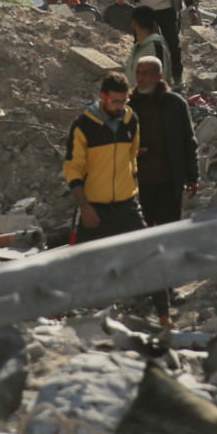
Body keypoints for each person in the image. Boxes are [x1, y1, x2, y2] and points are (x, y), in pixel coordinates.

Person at [64, 73, 165, 322]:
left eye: (124, 101)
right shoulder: (83, 126)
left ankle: (164, 317)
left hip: (126, 207)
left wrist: (131, 187)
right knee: (76, 265)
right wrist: (85, 207)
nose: (120, 107)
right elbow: (73, 168)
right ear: (103, 98)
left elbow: (132, 157)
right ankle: (61, 317)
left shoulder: (131, 121)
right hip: (93, 210)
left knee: (150, 255)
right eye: (115, 102)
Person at [129, 58, 199, 325]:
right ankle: (145, 289)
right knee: (143, 240)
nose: (141, 78)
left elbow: (188, 141)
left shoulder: (175, 104)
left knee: (168, 239)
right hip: (138, 187)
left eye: (146, 74)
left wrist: (192, 176)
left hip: (169, 183)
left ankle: (167, 291)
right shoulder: (128, 106)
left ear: (159, 76)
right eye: (138, 73)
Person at [126, 5, 173, 91]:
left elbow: (161, 83)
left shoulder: (157, 47)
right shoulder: (137, 48)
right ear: (154, 24)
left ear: (134, 24)